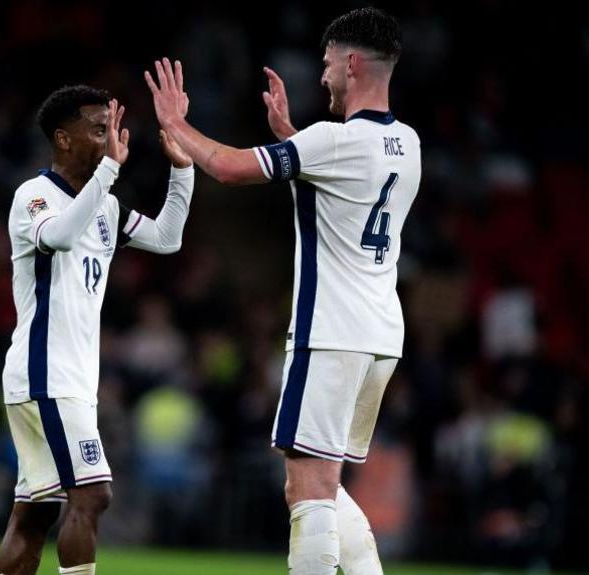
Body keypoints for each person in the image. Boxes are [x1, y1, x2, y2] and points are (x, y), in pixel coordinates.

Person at [145, 8, 420, 574]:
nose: (322, 77)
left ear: (351, 62)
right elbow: (341, 187)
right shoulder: (408, 145)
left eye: (326, 65)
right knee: (325, 482)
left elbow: (226, 167)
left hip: (330, 330)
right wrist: (291, 141)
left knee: (307, 489)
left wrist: (175, 125)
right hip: (380, 335)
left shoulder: (333, 141)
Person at [0, 85, 195, 575]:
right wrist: (109, 173)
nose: (110, 138)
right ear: (63, 139)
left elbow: (167, 239)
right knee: (94, 493)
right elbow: (59, 237)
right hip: (45, 375)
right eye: (98, 128)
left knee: (36, 511)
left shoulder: (104, 207)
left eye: (111, 126)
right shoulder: (34, 195)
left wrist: (183, 170)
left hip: (64, 382)